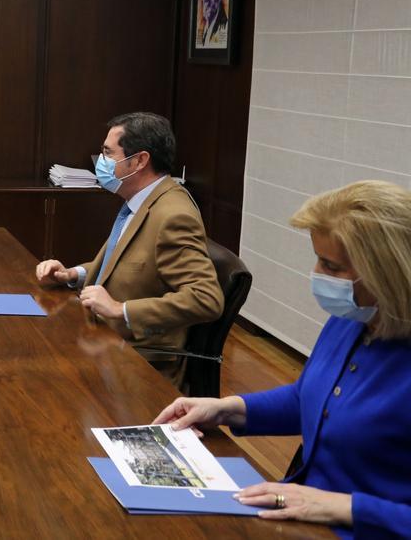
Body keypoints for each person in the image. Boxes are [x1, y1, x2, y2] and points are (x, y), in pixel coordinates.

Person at [153, 181, 411, 537]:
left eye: (333, 267)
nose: (318, 275)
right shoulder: (353, 319)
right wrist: (227, 408)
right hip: (303, 516)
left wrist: (345, 506)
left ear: (388, 274)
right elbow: (309, 397)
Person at [34, 112, 223, 386]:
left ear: (139, 161)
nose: (101, 162)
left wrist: (120, 309)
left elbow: (206, 298)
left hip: (136, 362)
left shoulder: (172, 215)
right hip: (100, 338)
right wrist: (73, 274)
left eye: (108, 153)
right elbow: (127, 265)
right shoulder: (139, 201)